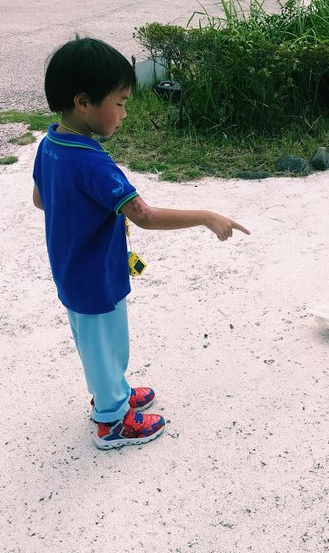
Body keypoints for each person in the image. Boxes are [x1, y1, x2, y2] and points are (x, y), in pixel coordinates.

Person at [32, 37, 250, 450]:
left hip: (74, 269)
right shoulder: (93, 161)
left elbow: (40, 199)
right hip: (93, 276)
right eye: (120, 103)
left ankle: (113, 389)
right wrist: (206, 216)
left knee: (102, 343)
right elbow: (144, 216)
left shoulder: (51, 145)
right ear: (83, 102)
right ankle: (112, 421)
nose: (124, 114)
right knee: (103, 342)